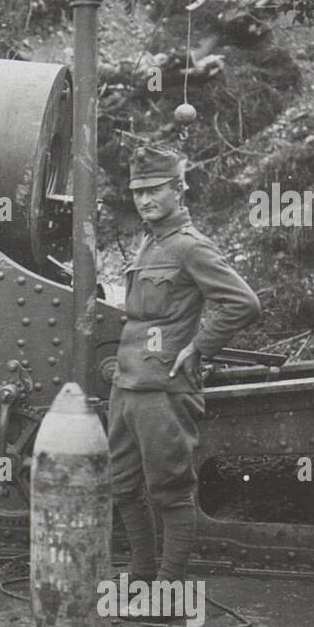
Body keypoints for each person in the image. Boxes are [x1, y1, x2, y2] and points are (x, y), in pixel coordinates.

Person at [109, 146, 260, 586]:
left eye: (154, 189)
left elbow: (243, 303)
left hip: (162, 389)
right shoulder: (150, 242)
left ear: (179, 188)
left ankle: (168, 590)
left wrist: (199, 347)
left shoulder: (190, 247)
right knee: (123, 486)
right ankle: (141, 579)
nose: (144, 199)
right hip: (127, 385)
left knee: (171, 493)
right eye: (137, 191)